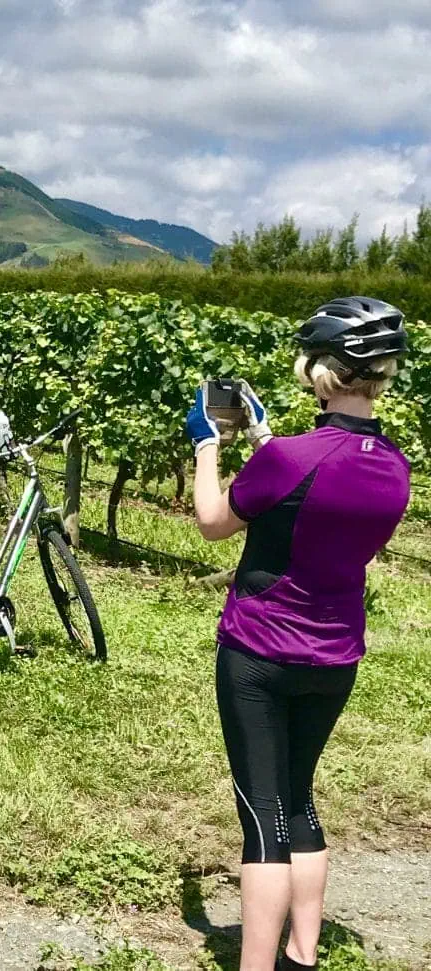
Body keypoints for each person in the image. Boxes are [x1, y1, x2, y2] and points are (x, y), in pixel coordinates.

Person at [184, 297, 410, 971]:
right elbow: (319, 493)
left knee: (263, 819)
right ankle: (301, 954)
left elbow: (213, 521)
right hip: (335, 655)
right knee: (300, 798)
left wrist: (206, 444)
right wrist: (264, 441)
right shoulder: (394, 467)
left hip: (258, 651)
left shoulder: (286, 456)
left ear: (319, 370)